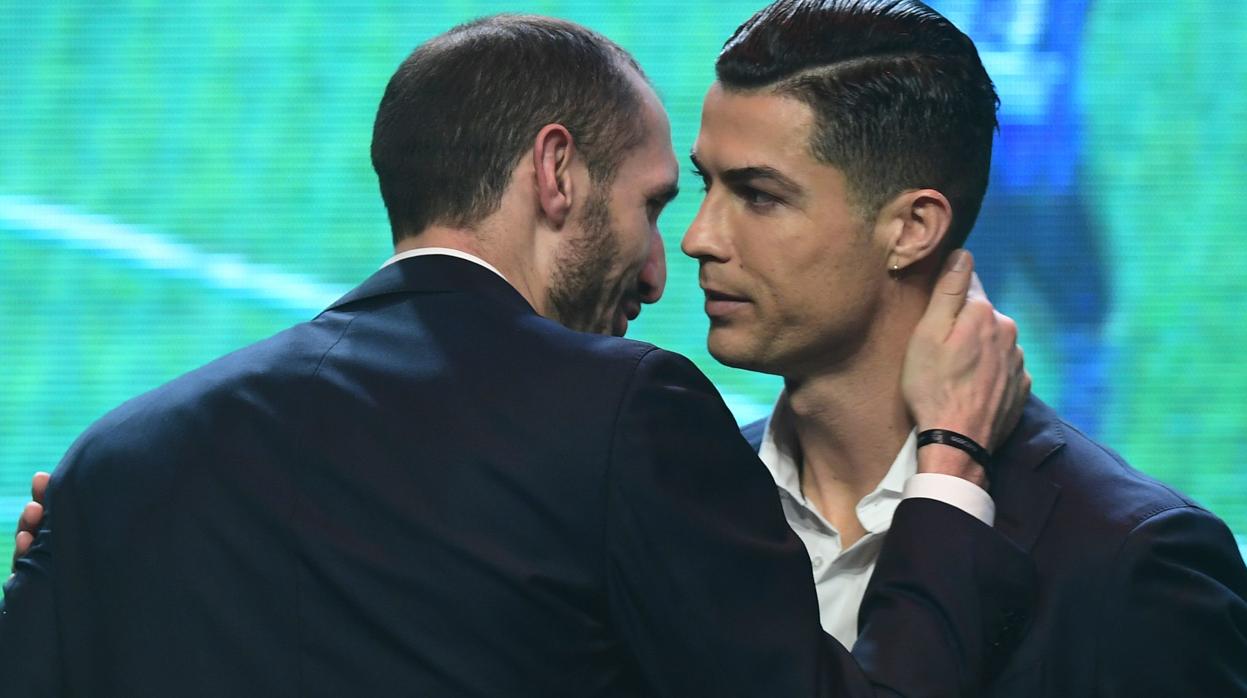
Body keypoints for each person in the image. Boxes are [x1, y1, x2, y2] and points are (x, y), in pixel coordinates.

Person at [1, 13, 1034, 698]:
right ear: (555, 174)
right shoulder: (625, 412)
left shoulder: (114, 460)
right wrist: (945, 464)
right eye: (651, 205)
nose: (659, 269)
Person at [680, 0, 1247, 695]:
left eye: (758, 195)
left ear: (913, 228)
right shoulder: (680, 494)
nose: (699, 237)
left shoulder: (1133, 558)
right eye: (706, 185)